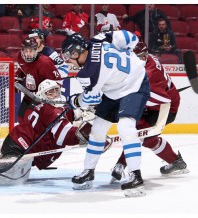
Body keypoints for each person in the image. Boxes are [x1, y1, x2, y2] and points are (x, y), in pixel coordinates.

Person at [61, 31, 150, 197]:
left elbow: (90, 98)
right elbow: (130, 38)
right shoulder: (97, 39)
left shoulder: (88, 74)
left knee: (125, 127)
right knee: (98, 130)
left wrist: (75, 101)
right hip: (113, 89)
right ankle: (88, 171)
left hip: (134, 85)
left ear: (78, 51)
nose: (71, 61)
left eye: (71, 57)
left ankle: (136, 176)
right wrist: (128, 52)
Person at [0, 79, 94, 188]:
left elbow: (53, 117)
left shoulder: (38, 106)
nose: (55, 95)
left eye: (56, 91)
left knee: (16, 165)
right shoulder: (52, 111)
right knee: (14, 173)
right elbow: (64, 135)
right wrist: (89, 137)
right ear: (42, 95)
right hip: (22, 147)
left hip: (19, 142)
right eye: (50, 93)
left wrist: (76, 113)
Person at [110, 42, 189, 182]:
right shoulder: (145, 60)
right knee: (144, 136)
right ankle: (176, 162)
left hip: (165, 107)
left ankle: (120, 165)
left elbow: (162, 99)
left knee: (140, 134)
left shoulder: (148, 74)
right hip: (154, 105)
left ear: (145, 57)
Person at [15, 36, 62, 123]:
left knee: (35, 123)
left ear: (36, 50)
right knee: (21, 119)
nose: (28, 54)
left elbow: (58, 81)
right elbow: (23, 69)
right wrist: (18, 78)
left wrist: (47, 94)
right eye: (26, 51)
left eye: (31, 51)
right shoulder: (20, 58)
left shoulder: (45, 63)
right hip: (29, 96)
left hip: (43, 99)